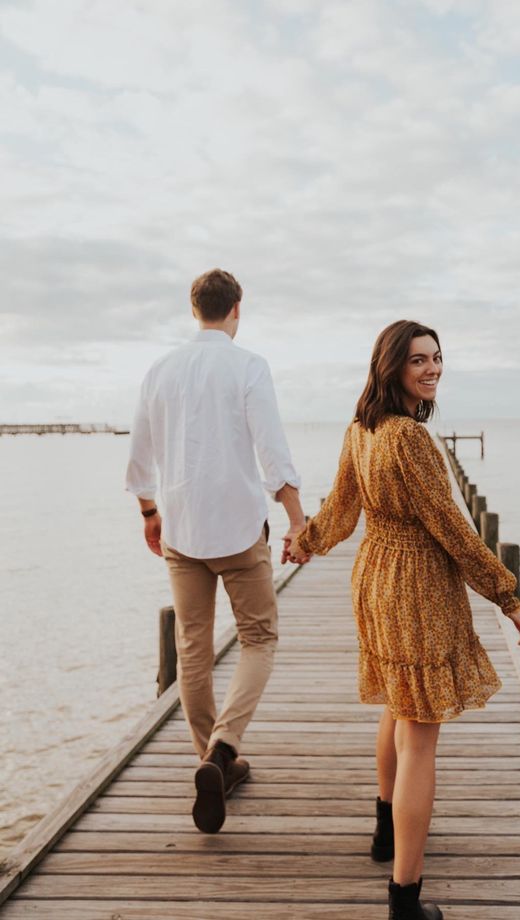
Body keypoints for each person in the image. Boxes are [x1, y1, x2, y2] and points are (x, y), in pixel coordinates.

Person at [285, 320, 520, 920]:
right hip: (415, 588)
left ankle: (384, 831)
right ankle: (404, 898)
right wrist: (509, 596)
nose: (432, 369)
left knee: (398, 704)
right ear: (390, 365)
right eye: (418, 360)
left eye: (437, 358)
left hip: (373, 579)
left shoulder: (362, 430)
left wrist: (307, 540)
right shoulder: (410, 440)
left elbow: (341, 509)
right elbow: (454, 530)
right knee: (420, 736)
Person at [125, 268, 308, 834]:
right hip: (236, 525)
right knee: (259, 637)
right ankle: (224, 750)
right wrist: (298, 521)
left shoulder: (160, 369)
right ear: (237, 308)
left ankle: (210, 757)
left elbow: (140, 455)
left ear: (193, 308)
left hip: (181, 528)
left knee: (193, 649)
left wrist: (150, 514)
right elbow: (272, 451)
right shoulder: (248, 365)